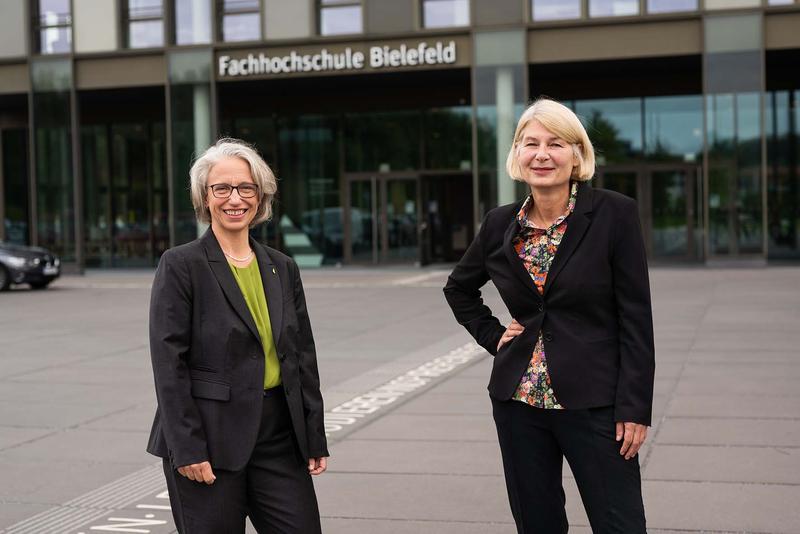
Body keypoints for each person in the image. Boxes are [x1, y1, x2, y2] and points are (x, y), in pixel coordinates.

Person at [443, 98, 655, 533]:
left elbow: (636, 318)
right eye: (530, 143)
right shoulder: (500, 223)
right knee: (537, 524)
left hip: (596, 402)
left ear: (577, 154)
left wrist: (635, 407)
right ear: (517, 154)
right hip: (518, 402)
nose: (542, 154)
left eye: (555, 143)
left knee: (620, 523)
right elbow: (458, 288)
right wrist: (495, 337)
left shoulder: (615, 214)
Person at [147, 138, 328, 533]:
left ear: (260, 196)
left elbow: (301, 356)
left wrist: (314, 435)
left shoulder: (283, 267)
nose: (235, 199)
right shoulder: (181, 265)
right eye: (222, 188)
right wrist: (187, 447)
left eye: (246, 188)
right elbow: (169, 365)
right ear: (205, 197)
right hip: (208, 439)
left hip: (279, 438)